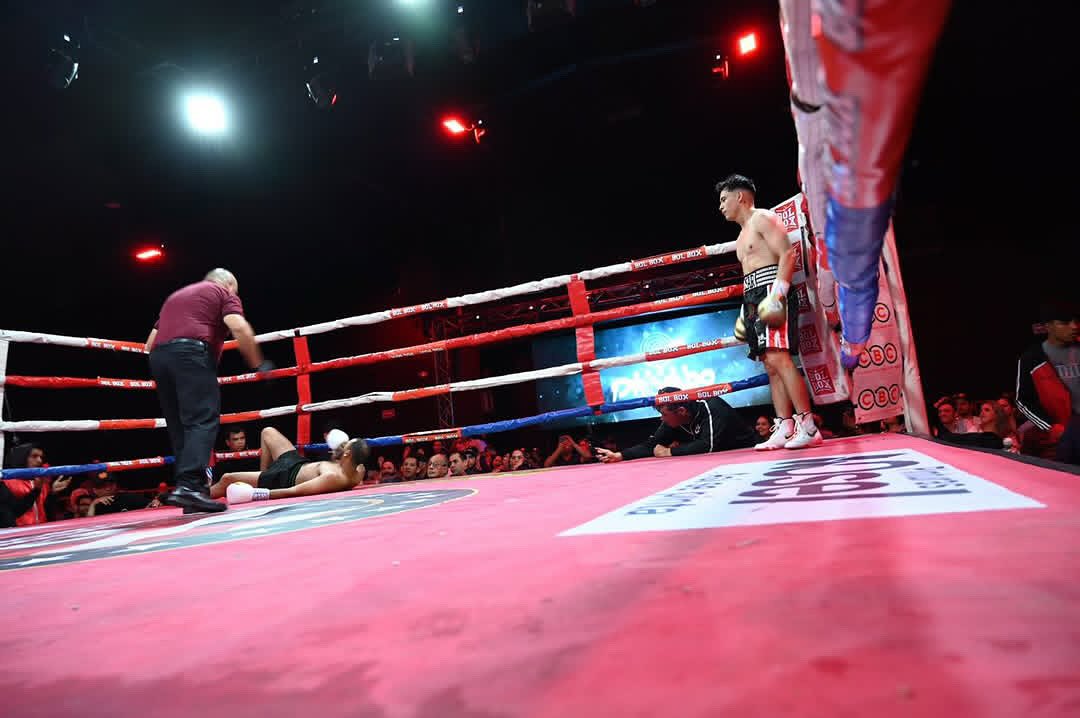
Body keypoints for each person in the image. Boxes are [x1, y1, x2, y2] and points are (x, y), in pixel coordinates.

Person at [145, 268, 271, 513]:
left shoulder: (177, 297)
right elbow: (239, 327)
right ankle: (191, 487)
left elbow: (150, 344)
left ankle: (193, 493)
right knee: (202, 419)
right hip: (191, 354)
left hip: (159, 359)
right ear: (229, 285)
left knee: (180, 426)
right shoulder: (223, 293)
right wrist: (258, 363)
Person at [717, 174, 822, 450]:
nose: (721, 206)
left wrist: (778, 294)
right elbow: (749, 275)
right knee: (769, 363)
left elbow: (787, 254)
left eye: (724, 199)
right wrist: (745, 311)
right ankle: (785, 426)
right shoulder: (741, 236)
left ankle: (809, 426)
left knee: (779, 357)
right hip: (753, 297)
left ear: (740, 196)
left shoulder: (762, 218)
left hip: (771, 290)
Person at [595, 387, 757, 463]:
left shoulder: (712, 406)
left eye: (664, 414)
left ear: (681, 411)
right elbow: (652, 445)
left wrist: (669, 452)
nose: (662, 419)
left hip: (748, 456)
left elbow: (707, 445)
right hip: (719, 461)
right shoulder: (675, 420)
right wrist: (620, 455)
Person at [211, 427, 368, 502]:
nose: (344, 444)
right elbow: (352, 457)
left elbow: (294, 491)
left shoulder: (333, 477)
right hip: (296, 462)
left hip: (285, 477)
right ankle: (264, 475)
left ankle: (199, 496)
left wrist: (256, 494)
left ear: (348, 454)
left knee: (227, 479)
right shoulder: (359, 469)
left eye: (347, 445)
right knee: (267, 432)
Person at [1017, 301, 1080, 465]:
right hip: (1060, 442)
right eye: (1065, 322)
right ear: (1048, 326)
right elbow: (1022, 400)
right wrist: (1050, 427)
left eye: (1076, 321)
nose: (1074, 326)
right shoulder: (1031, 358)